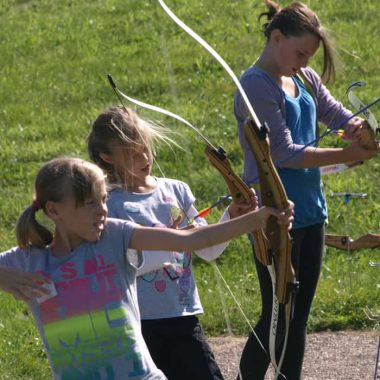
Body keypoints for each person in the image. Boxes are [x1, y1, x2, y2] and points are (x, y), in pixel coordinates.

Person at [0, 156, 294, 380]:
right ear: (54, 211)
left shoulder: (114, 236)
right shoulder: (30, 262)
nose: (103, 209)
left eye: (103, 199)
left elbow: (191, 238)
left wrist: (258, 218)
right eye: (90, 203)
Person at [233, 1, 379, 379]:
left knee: (297, 320)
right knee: (277, 315)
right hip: (273, 217)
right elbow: (282, 153)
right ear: (276, 37)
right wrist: (349, 152)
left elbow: (335, 114)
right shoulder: (254, 85)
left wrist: (359, 128)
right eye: (299, 52)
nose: (303, 60)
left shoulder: (304, 77)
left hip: (310, 213)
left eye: (308, 55)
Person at [87, 105, 260, 380]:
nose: (144, 156)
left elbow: (208, 249)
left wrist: (232, 216)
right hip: (136, 326)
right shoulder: (109, 203)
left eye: (146, 146)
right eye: (132, 153)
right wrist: (177, 241)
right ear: (107, 157)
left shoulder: (176, 190)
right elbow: (117, 266)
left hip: (183, 317)